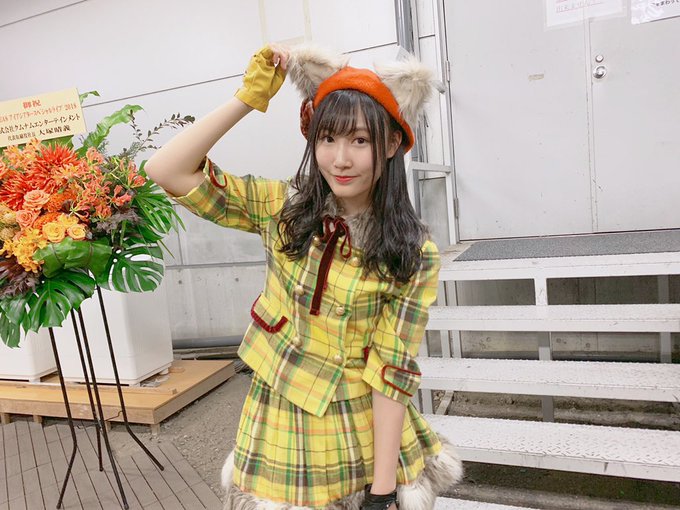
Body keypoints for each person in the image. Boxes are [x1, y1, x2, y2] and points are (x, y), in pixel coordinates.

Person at [145, 43, 462, 510]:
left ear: (392, 144)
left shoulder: (412, 253)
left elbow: (391, 374)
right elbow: (165, 169)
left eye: (360, 140)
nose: (340, 159)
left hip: (357, 425)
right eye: (327, 138)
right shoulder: (283, 209)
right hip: (278, 412)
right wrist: (248, 98)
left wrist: (380, 494)